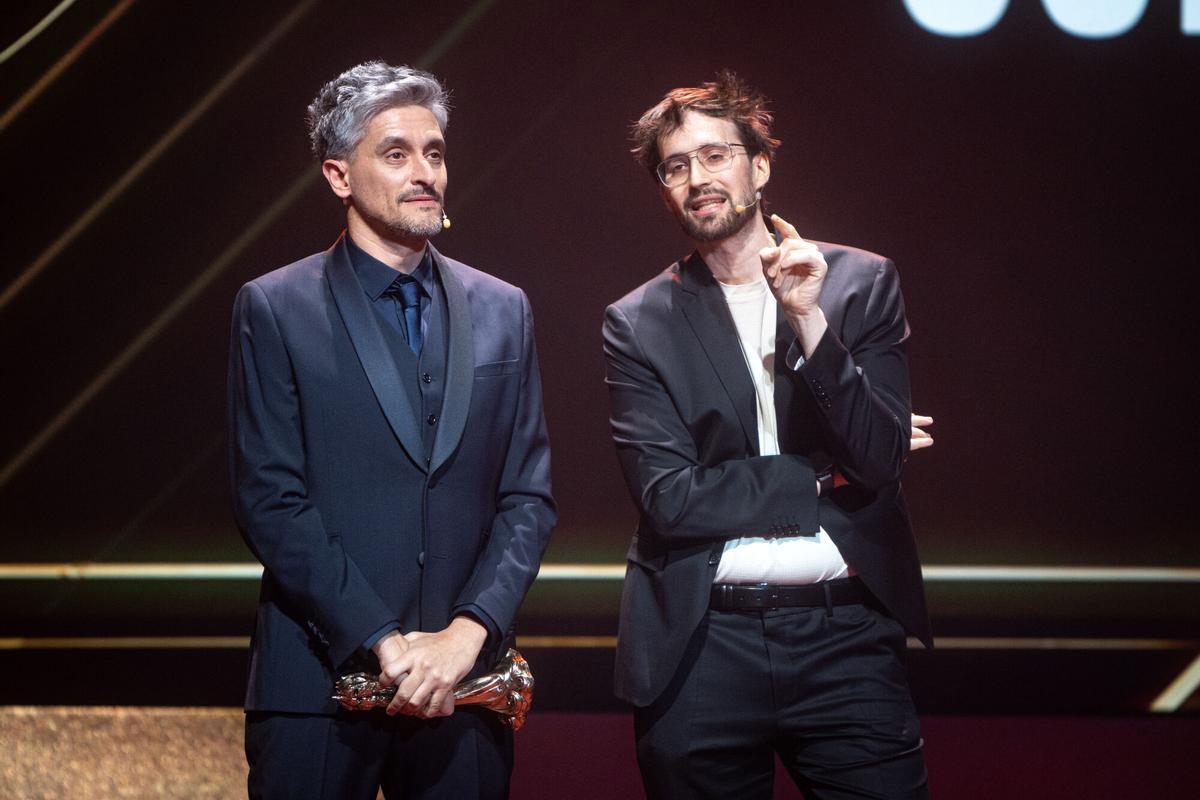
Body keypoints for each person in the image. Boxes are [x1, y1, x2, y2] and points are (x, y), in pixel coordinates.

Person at [227, 61, 555, 799]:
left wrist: (467, 634)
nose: (425, 173)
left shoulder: (505, 308)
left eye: (434, 152)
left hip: (465, 688)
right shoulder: (276, 308)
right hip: (318, 683)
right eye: (397, 153)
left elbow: (528, 498)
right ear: (340, 176)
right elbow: (270, 500)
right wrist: (385, 640)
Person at [603, 71, 933, 799]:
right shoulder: (638, 321)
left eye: (716, 155)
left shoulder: (857, 283)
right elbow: (672, 501)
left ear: (760, 165)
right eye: (676, 165)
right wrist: (823, 477)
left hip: (844, 635)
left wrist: (809, 319)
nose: (698, 177)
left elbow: (877, 462)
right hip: (702, 643)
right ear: (664, 189)